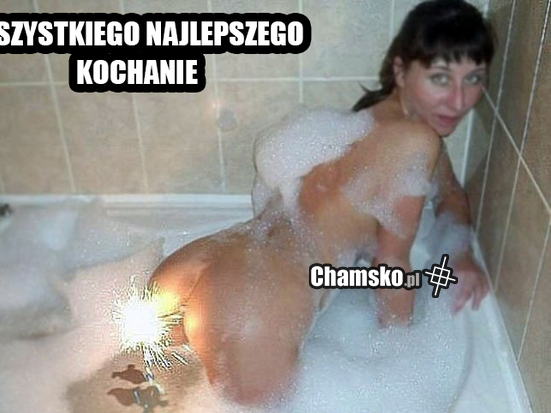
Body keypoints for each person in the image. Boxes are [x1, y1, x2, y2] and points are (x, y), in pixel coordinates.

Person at [150, 0, 495, 406]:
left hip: (198, 266)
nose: (458, 100)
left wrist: (460, 251)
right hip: (257, 304)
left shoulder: (350, 129)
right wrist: (399, 358)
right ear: (401, 71)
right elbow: (390, 264)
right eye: (440, 79)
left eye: (473, 79)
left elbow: (450, 192)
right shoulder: (418, 141)